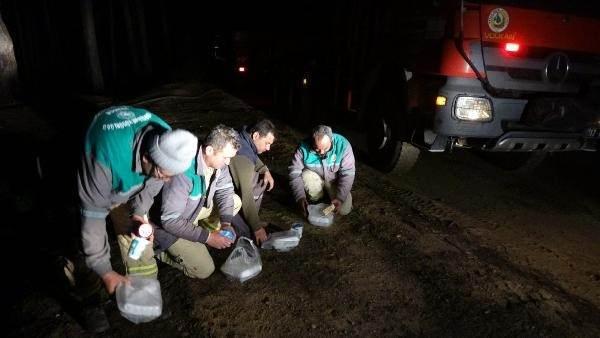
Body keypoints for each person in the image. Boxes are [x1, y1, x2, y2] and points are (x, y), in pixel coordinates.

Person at [76, 105, 198, 332]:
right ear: (146, 158)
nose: (168, 181)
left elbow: (152, 183)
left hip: (126, 179)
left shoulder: (167, 141)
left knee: (136, 234)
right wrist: (105, 271)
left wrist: (139, 214)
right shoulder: (103, 155)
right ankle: (90, 300)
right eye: (165, 175)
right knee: (79, 247)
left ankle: (138, 293)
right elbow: (92, 216)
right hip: (81, 176)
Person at [151, 124, 246, 279]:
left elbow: (225, 190)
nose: (228, 162)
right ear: (209, 150)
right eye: (225, 157)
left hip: (192, 210)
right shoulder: (183, 172)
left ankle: (200, 231)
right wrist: (208, 238)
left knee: (234, 201)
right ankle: (159, 251)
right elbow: (169, 220)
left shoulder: (218, 164)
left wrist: (226, 223)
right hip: (166, 226)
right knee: (204, 270)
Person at [289, 125, 355, 217]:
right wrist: (300, 197)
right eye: (317, 149)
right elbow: (294, 172)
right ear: (312, 141)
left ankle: (331, 196)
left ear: (331, 140)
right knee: (306, 175)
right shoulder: (303, 147)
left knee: (344, 210)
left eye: (325, 148)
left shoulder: (343, 145)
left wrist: (340, 198)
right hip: (315, 177)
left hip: (334, 181)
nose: (322, 152)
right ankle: (318, 197)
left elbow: (348, 174)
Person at [228, 119, 276, 244]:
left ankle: (249, 220)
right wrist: (257, 228)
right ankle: (245, 225)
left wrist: (264, 169)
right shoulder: (242, 158)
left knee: (260, 177)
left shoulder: (242, 134)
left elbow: (252, 155)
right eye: (267, 143)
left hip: (226, 185)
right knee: (247, 235)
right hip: (218, 195)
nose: (268, 148)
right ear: (255, 135)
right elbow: (246, 194)